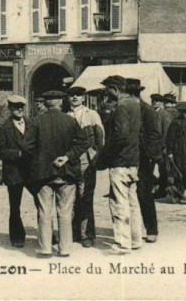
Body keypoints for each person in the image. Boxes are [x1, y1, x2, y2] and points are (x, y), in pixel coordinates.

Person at [25, 91, 89, 257]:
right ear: (61, 102)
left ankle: (45, 248)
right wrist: (67, 157)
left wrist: (40, 160)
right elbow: (83, 143)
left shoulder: (36, 122)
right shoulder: (71, 121)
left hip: (42, 175)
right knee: (65, 213)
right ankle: (64, 248)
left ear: (46, 103)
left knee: (44, 212)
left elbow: (27, 147)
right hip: (66, 173)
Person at [96, 76, 144, 255]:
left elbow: (120, 135)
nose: (107, 93)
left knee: (119, 202)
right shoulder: (135, 104)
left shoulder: (121, 107)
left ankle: (123, 244)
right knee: (133, 202)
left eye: (108, 90)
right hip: (133, 160)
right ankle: (135, 239)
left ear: (115, 89)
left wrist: (105, 155)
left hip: (120, 162)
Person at [66, 86, 105, 248]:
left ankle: (87, 234)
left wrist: (95, 155)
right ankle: (72, 233)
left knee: (86, 197)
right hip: (69, 160)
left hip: (87, 160)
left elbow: (100, 137)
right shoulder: (65, 115)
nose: (75, 97)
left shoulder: (92, 115)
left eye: (78, 95)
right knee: (70, 196)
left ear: (83, 98)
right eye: (72, 95)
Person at [0, 95, 33, 248]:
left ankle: (47, 234)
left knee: (41, 202)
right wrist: (17, 154)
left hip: (31, 171)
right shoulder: (3, 128)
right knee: (15, 206)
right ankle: (17, 236)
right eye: (16, 107)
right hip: (14, 172)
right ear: (10, 108)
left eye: (21, 106)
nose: (19, 109)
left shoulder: (32, 124)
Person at [127, 79, 162, 243]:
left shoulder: (147, 110)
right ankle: (132, 230)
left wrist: (150, 157)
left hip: (142, 158)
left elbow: (155, 136)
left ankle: (151, 229)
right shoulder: (125, 108)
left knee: (144, 194)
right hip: (127, 157)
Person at [165, 102, 186, 204]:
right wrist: (170, 152)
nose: (185, 114)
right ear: (179, 112)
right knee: (179, 173)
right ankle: (181, 195)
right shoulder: (175, 122)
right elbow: (169, 138)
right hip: (178, 151)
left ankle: (175, 190)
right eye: (182, 112)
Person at [151, 94, 172, 199]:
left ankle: (162, 190)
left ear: (161, 103)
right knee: (148, 169)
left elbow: (166, 132)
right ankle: (149, 189)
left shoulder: (164, 115)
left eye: (157, 101)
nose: (155, 102)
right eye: (153, 100)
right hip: (150, 146)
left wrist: (163, 146)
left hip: (160, 147)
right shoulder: (148, 113)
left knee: (162, 169)